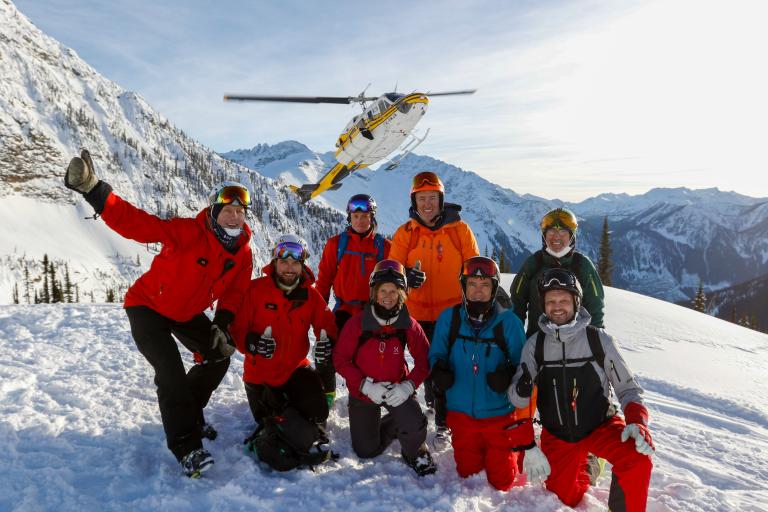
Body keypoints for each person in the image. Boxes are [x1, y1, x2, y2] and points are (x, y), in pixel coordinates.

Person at [64, 150, 253, 478]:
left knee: (220, 354)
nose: (234, 217)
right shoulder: (188, 232)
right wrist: (95, 191)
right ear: (214, 211)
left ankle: (189, 414)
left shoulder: (243, 252)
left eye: (240, 211)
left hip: (185, 312)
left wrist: (222, 322)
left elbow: (235, 291)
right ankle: (186, 446)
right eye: (228, 211)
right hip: (147, 307)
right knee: (170, 374)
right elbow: (139, 225)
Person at [509, 268, 654, 511]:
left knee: (637, 457)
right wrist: (522, 390)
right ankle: (588, 464)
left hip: (600, 426)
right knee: (565, 498)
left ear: (576, 302)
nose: (557, 307)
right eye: (551, 301)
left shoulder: (599, 340)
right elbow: (516, 399)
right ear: (543, 305)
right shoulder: (535, 345)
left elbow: (628, 389)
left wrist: (637, 422)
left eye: (564, 300)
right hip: (558, 434)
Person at [428, 257, 540, 490]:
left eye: (485, 285)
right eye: (472, 284)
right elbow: (436, 354)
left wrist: (509, 376)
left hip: (499, 416)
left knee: (502, 481)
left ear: (494, 288)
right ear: (464, 287)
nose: (478, 291)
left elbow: (524, 367)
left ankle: (513, 448)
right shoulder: (450, 318)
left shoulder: (508, 322)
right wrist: (438, 370)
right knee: (468, 473)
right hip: (460, 415)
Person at [389, 171, 479, 445]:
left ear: (441, 200)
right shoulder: (406, 233)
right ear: (414, 202)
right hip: (415, 314)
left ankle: (444, 422)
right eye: (421, 199)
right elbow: (392, 271)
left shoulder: (459, 231)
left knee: (445, 366)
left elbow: (474, 269)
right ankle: (423, 404)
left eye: (432, 198)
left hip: (450, 313)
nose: (427, 204)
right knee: (423, 364)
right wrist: (406, 278)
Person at [228, 234, 338, 460]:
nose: (289, 268)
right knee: (274, 421)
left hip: (294, 369)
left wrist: (327, 342)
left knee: (318, 412)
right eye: (284, 262)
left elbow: (327, 325)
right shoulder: (255, 290)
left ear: (302, 265)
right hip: (260, 376)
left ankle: (304, 429)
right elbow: (236, 329)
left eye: (295, 263)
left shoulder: (310, 295)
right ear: (275, 262)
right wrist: (253, 344)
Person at [333, 259, 435, 476]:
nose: (388, 297)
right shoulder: (357, 323)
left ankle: (416, 450)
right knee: (366, 450)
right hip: (364, 391)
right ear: (374, 293)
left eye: (393, 291)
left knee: (412, 422)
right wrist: (364, 386)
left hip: (396, 388)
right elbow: (340, 359)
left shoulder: (409, 325)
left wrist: (408, 386)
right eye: (383, 291)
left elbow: (425, 360)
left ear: (401, 294)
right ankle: (399, 423)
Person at [316, 194, 391, 409]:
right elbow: (324, 279)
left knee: (370, 357)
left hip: (372, 312)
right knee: (325, 350)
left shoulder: (384, 247)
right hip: (343, 309)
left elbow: (394, 283)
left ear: (372, 218)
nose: (360, 221)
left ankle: (364, 396)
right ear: (349, 217)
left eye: (365, 216)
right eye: (356, 216)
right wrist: (318, 312)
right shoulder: (336, 244)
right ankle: (328, 391)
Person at [510, 207, 604, 338]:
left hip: (576, 344)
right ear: (544, 235)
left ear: (571, 236)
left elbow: (595, 308)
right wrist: (515, 338)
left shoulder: (582, 265)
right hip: (537, 343)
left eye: (563, 231)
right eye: (551, 231)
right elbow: (516, 303)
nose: (556, 236)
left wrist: (596, 341)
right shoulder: (534, 263)